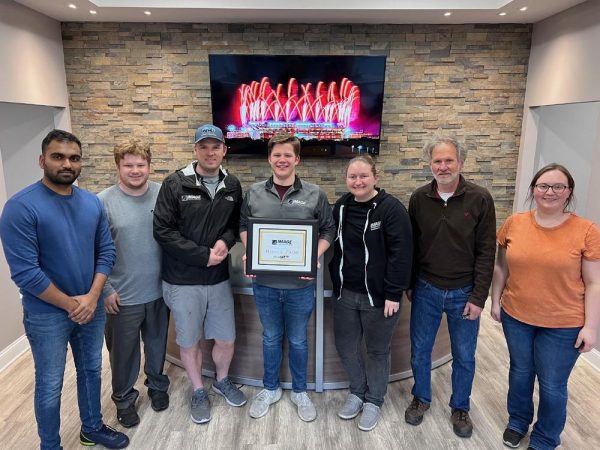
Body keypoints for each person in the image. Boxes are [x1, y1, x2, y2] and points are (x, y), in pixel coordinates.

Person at [0, 129, 128, 450]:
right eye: (58, 157)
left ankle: (92, 428)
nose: (67, 164)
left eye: (74, 158)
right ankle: (50, 445)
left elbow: (106, 252)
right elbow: (26, 273)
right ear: (42, 160)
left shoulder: (91, 203)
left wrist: (93, 297)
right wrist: (73, 305)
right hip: (47, 314)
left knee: (91, 370)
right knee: (50, 383)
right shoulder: (20, 207)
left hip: (91, 306)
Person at [491, 163, 600, 450]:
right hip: (517, 316)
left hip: (564, 324)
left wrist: (590, 327)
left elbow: (594, 283)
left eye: (558, 186)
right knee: (520, 373)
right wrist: (495, 299)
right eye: (543, 186)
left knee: (552, 385)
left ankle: (545, 438)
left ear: (569, 192)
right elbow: (501, 267)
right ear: (533, 190)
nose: (550, 192)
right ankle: (518, 422)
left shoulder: (586, 231)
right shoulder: (514, 223)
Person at [239, 133, 335, 422]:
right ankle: (270, 388)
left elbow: (329, 230)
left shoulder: (315, 194)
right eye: (277, 155)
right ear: (269, 159)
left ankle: (300, 391)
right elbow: (243, 225)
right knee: (270, 338)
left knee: (298, 340)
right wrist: (251, 252)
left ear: (297, 159)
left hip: (300, 286)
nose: (282, 160)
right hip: (264, 284)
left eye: (287, 155)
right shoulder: (253, 193)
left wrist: (313, 256)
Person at [153, 124, 244, 424]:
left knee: (226, 338)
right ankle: (198, 390)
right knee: (189, 341)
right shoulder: (174, 184)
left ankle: (222, 380)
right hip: (182, 280)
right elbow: (162, 231)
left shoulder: (232, 185)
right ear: (195, 150)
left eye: (215, 146)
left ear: (224, 150)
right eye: (203, 146)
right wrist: (203, 255)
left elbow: (234, 225)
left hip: (218, 279)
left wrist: (225, 241)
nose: (210, 152)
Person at [405, 135, 496, 438]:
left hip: (464, 293)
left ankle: (460, 407)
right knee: (420, 351)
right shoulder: (419, 199)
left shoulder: (480, 199)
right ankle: (421, 397)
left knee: (465, 356)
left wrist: (479, 297)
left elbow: (487, 251)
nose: (443, 166)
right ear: (429, 164)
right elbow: (412, 247)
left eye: (449, 160)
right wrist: (410, 284)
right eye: (437, 161)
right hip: (426, 289)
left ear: (461, 162)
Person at [329, 155, 412, 431]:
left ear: (376, 177)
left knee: (377, 350)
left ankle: (374, 400)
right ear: (346, 179)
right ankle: (357, 392)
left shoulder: (391, 209)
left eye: (364, 176)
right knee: (346, 346)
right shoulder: (341, 207)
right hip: (345, 295)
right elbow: (327, 238)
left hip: (379, 298)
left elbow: (402, 255)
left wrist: (393, 294)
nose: (358, 181)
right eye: (352, 176)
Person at [98, 139, 170, 428]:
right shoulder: (102, 202)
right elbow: (93, 250)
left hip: (160, 290)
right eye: (128, 165)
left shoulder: (163, 194)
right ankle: (124, 400)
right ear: (118, 166)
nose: (135, 170)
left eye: (141, 164)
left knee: (157, 346)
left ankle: (157, 386)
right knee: (123, 354)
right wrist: (105, 289)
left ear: (149, 166)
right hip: (121, 295)